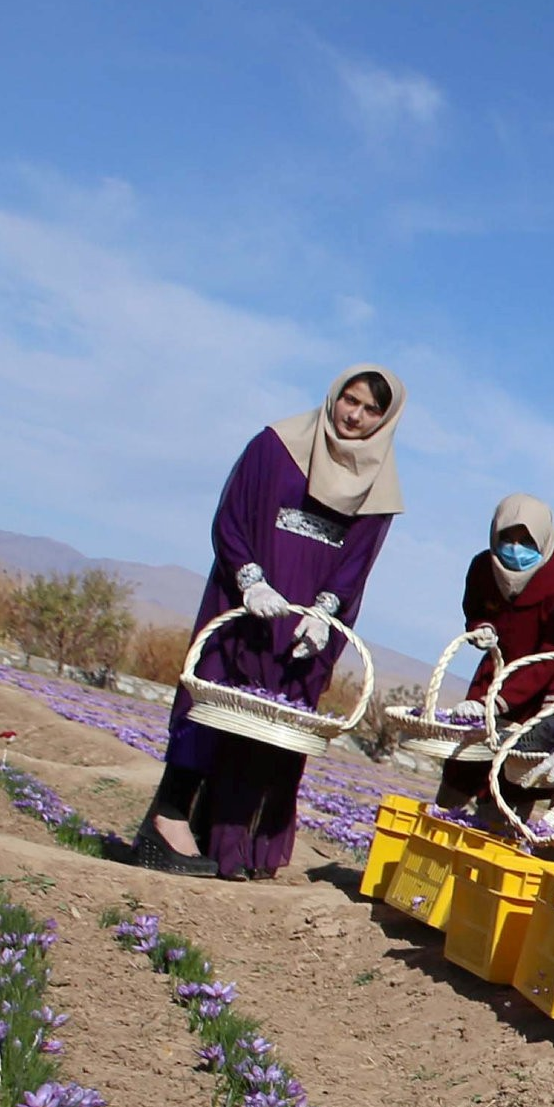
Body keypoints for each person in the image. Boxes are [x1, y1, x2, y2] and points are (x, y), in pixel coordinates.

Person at [141, 366, 402, 877]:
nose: (355, 416)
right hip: (249, 602)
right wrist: (250, 580)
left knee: (270, 733)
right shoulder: (275, 446)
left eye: (372, 410)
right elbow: (232, 517)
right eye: (350, 400)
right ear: (334, 396)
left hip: (303, 624)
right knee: (211, 703)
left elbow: (357, 562)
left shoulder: (380, 487)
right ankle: (167, 820)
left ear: (386, 420)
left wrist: (324, 612)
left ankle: (231, 847)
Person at [435, 493, 554, 813]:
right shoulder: (484, 567)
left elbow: (552, 655)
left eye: (526, 541)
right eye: (507, 538)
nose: (514, 548)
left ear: (543, 539)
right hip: (491, 675)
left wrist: (500, 702)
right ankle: (443, 815)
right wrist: (481, 627)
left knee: (512, 778)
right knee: (463, 764)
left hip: (532, 692)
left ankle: (497, 825)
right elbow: (475, 609)